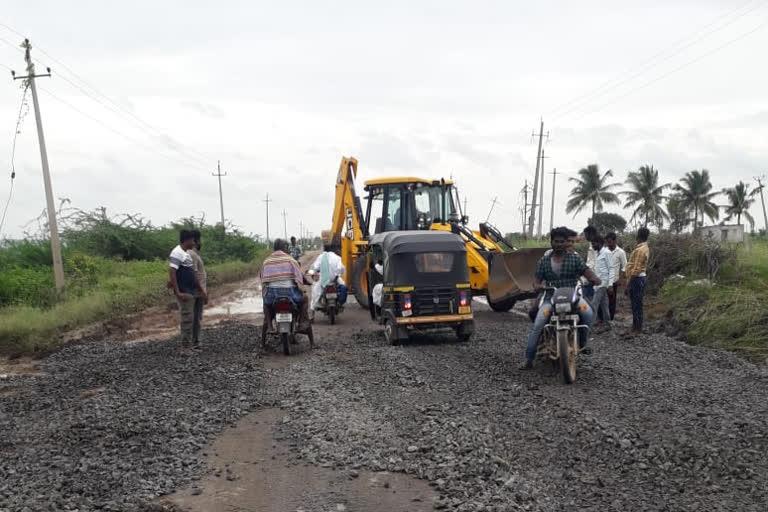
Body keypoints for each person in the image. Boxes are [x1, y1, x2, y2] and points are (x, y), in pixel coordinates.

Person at [520, 227, 601, 370]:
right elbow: (537, 280)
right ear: (551, 242)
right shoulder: (544, 261)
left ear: (566, 243)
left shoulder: (574, 258)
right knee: (538, 324)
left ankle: (582, 342)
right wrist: (537, 285)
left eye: (561, 242)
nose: (558, 244)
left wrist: (594, 278)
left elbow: (586, 271)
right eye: (556, 241)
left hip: (573, 296)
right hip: (551, 298)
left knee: (588, 313)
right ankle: (529, 358)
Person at [169, 230, 207, 355]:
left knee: (192, 319)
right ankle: (186, 347)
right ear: (188, 240)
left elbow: (194, 275)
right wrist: (178, 292)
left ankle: (190, 346)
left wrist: (202, 291)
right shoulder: (178, 253)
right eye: (193, 240)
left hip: (192, 291)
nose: (195, 242)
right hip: (186, 292)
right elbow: (172, 272)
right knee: (188, 319)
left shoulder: (186, 254)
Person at [261, 239, 311, 333]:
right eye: (287, 248)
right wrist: (302, 286)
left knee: (266, 304)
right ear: (284, 248)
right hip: (290, 294)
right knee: (305, 299)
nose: (288, 250)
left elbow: (263, 279)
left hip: (273, 295)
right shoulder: (291, 260)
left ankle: (270, 326)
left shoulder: (267, 261)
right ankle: (301, 323)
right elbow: (299, 277)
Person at [625, 227, 650, 335]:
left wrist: (628, 284)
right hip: (638, 278)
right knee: (636, 304)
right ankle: (635, 327)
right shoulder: (644, 248)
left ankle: (637, 329)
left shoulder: (640, 250)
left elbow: (636, 269)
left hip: (637, 279)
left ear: (638, 236)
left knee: (636, 304)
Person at [309, 245, 348, 313]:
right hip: (335, 280)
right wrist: (337, 274)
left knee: (315, 291)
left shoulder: (321, 257)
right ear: (332, 250)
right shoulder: (337, 257)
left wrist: (314, 272)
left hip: (323, 281)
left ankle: (312, 312)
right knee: (343, 286)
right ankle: (339, 303)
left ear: (324, 250)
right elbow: (341, 269)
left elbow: (315, 268)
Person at [187, 230, 207, 351]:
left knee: (196, 317)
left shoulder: (193, 254)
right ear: (195, 241)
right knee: (195, 317)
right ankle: (195, 342)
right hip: (196, 291)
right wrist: (202, 292)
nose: (200, 243)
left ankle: (194, 341)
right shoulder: (192, 254)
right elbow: (194, 274)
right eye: (199, 240)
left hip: (197, 290)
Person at [591, 235, 615, 331]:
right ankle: (608, 323)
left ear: (599, 243)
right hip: (598, 284)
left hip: (603, 283)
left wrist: (610, 285)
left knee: (594, 304)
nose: (592, 246)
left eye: (593, 244)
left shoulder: (607, 253)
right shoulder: (599, 253)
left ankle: (589, 326)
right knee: (604, 304)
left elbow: (611, 269)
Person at [605, 232, 627, 320]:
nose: (608, 244)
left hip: (614, 280)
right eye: (607, 242)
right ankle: (603, 318)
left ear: (615, 241)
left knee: (612, 301)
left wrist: (620, 279)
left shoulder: (621, 252)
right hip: (604, 280)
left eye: (610, 242)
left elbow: (625, 266)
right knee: (603, 301)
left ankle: (611, 319)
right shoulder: (604, 251)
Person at [581, 225, 599, 301]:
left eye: (586, 234)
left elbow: (595, 262)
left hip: (593, 276)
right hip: (590, 276)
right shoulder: (591, 244)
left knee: (591, 300)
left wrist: (592, 276)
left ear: (591, 234)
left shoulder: (597, 245)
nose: (585, 236)